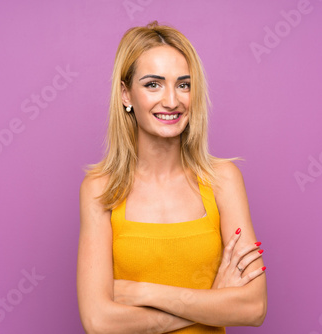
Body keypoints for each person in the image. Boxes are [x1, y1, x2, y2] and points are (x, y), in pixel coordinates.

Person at [77, 21, 267, 333]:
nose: (172, 101)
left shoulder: (223, 180)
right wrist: (214, 303)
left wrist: (145, 293)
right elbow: (100, 322)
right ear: (126, 95)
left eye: (183, 84)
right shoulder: (100, 190)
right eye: (153, 84)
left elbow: (254, 308)